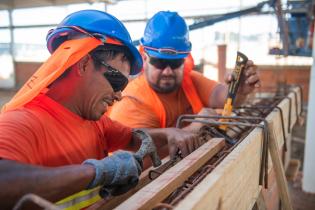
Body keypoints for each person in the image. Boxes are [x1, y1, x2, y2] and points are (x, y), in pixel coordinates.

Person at [0, 10, 201, 210]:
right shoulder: (22, 123)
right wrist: (96, 172)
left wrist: (169, 134)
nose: (119, 95)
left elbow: (133, 138)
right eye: (116, 81)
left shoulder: (95, 122)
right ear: (84, 63)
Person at [109, 11, 260, 132]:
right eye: (160, 62)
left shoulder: (189, 81)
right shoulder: (132, 103)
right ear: (144, 58)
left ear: (184, 60)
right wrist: (194, 129)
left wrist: (238, 91)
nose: (168, 71)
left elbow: (224, 98)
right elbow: (138, 165)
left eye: (175, 63)